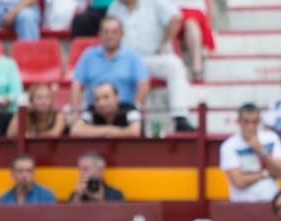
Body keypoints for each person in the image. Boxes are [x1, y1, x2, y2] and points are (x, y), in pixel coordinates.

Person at [106, 0, 195, 132]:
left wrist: (164, 42)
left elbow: (176, 17)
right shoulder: (114, 7)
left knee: (174, 64)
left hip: (151, 57)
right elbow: (107, 30)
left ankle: (180, 116)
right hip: (125, 60)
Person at [70, 17, 149, 123]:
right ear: (100, 34)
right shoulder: (88, 55)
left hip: (124, 110)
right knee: (76, 128)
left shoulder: (133, 56)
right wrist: (75, 112)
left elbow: (143, 83)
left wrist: (136, 109)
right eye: (106, 32)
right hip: (95, 110)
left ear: (121, 34)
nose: (110, 36)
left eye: (114, 32)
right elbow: (76, 84)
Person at [219, 104, 281, 203]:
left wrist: (261, 150)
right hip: (242, 204)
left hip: (271, 202)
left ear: (259, 121)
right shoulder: (229, 145)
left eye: (254, 122)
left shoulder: (271, 138)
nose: (250, 126)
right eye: (246, 122)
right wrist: (266, 173)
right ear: (239, 121)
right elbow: (239, 182)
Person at [70, 81, 143, 137]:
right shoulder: (91, 111)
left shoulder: (130, 109)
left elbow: (135, 132)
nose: (101, 103)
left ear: (117, 97)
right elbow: (75, 131)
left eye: (106, 97)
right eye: (97, 99)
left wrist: (93, 131)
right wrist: (109, 130)